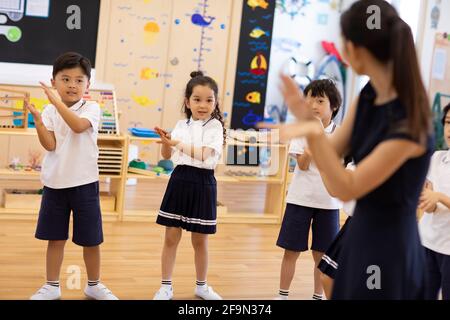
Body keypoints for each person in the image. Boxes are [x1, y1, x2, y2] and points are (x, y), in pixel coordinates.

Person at [260, 0, 433, 299]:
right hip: (360, 229)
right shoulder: (369, 94)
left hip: (389, 246)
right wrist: (308, 131)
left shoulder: (408, 121)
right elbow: (335, 151)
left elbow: (345, 184)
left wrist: (312, 133)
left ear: (356, 48)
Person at [27, 52, 118, 300]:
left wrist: (55, 102)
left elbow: (78, 126)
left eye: (79, 80)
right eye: (65, 79)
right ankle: (52, 286)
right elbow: (50, 145)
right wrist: (38, 121)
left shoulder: (91, 108)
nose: (72, 85)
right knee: (55, 238)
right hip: (55, 184)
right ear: (54, 81)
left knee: (91, 240)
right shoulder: (48, 110)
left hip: (85, 184)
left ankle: (94, 284)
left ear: (87, 85)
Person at [153, 71, 226, 300]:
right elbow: (165, 155)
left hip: (203, 183)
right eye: (197, 99)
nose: (203, 105)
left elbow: (204, 155)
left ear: (215, 102)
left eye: (209, 100)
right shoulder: (180, 124)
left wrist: (175, 142)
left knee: (199, 240)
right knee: (171, 237)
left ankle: (201, 286)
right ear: (187, 101)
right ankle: (166, 286)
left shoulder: (215, 127)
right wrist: (167, 142)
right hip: (179, 179)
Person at [275, 80, 342, 300]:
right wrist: (312, 149)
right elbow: (302, 165)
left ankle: (317, 296)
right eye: (310, 99)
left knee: (321, 255)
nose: (313, 105)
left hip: (328, 203)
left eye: (320, 100)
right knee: (291, 251)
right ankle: (282, 295)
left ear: (334, 106)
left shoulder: (340, 135)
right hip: (300, 199)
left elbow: (337, 168)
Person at [418, 103, 450, 300]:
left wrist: (438, 197)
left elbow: (435, 195)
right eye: (448, 123)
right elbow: (425, 194)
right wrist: (428, 202)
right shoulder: (437, 158)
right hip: (426, 242)